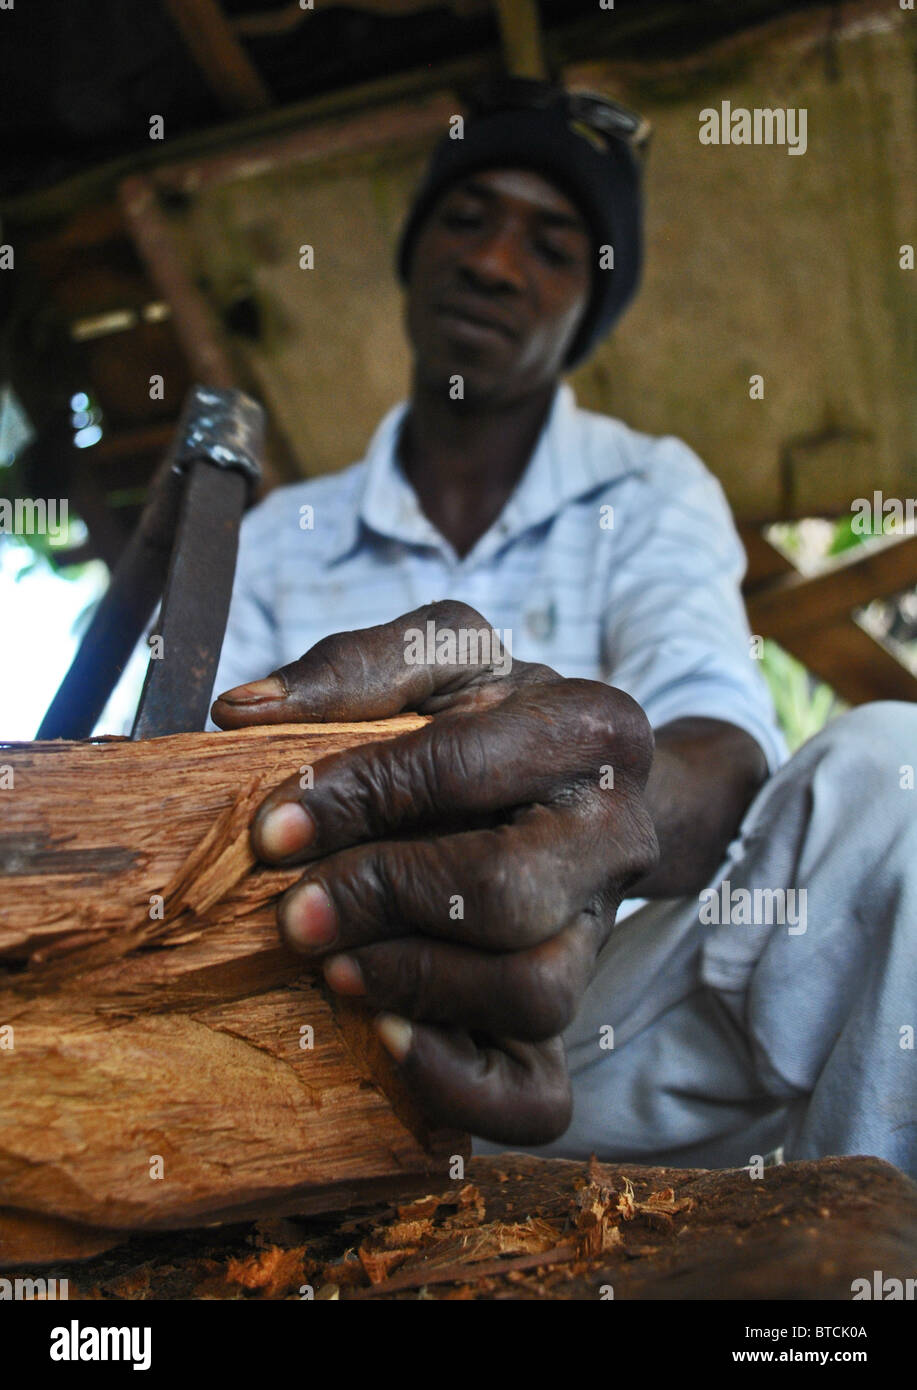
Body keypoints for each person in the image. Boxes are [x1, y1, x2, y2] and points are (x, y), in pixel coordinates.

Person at [209, 79, 917, 1177]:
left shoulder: (646, 486)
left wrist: (597, 817)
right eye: (466, 216)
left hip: (573, 1042)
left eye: (549, 244)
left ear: (588, 305)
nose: (493, 262)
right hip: (307, 1031)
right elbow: (194, 807)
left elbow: (721, 751)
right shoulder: (274, 536)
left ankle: (844, 1287)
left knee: (894, 781)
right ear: (413, 254)